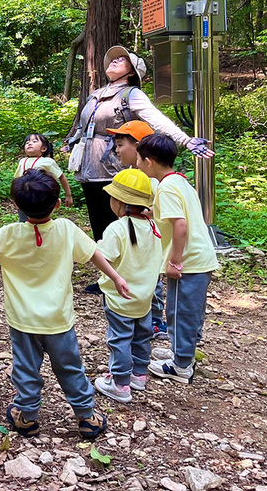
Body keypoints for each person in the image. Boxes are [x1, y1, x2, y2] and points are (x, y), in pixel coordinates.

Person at [0, 170, 128, 440]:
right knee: (70, 367)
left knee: (25, 369)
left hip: (23, 321)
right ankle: (87, 417)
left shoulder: (10, 234)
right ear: (57, 204)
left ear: (16, 206)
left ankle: (27, 417)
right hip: (58, 320)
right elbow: (93, 253)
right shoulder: (66, 229)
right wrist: (115, 276)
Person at [64, 45, 213, 241]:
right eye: (114, 58)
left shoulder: (132, 94)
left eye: (122, 59)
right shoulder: (96, 95)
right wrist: (72, 142)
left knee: (119, 223)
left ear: (132, 72)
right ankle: (105, 254)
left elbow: (156, 119)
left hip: (114, 168)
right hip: (88, 168)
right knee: (98, 224)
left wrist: (185, 140)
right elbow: (83, 125)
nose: (115, 60)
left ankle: (126, 257)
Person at [137, 134, 219, 384]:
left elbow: (180, 225)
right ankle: (182, 351)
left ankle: (181, 365)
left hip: (188, 262)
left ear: (148, 161)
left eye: (139, 159)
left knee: (179, 311)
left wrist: (174, 262)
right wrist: (151, 212)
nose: (137, 164)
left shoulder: (166, 188)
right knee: (192, 311)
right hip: (201, 258)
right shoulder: (179, 181)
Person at [92, 169, 163, 403]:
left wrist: (99, 246)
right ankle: (139, 375)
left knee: (120, 338)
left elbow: (103, 259)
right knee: (141, 336)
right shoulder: (153, 227)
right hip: (144, 297)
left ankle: (120, 383)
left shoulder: (117, 228)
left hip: (119, 298)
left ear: (119, 201)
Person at [106, 120, 167, 339]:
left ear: (139, 147)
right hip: (134, 240)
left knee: (152, 282)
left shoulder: (152, 180)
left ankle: (155, 321)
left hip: (148, 241)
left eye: (121, 145)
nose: (117, 150)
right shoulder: (132, 174)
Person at [14, 132, 73, 220]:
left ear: (44, 148)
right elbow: (17, 180)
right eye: (27, 142)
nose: (29, 143)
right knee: (24, 221)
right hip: (24, 197)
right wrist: (15, 198)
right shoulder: (22, 161)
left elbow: (61, 177)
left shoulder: (48, 162)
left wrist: (68, 195)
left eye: (34, 141)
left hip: (43, 197)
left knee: (42, 220)